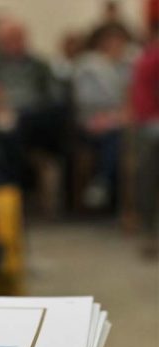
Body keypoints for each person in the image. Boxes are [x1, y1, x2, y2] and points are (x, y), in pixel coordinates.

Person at [73, 23, 133, 208]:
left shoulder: (129, 64)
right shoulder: (88, 65)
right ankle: (103, 182)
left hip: (125, 119)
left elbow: (134, 95)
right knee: (114, 137)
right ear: (102, 42)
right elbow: (85, 99)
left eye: (120, 42)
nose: (117, 46)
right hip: (92, 119)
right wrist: (112, 114)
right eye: (112, 41)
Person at [130, 7, 159, 257]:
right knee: (147, 169)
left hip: (149, 124)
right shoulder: (149, 58)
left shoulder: (148, 57)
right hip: (150, 123)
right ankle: (150, 231)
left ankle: (150, 231)